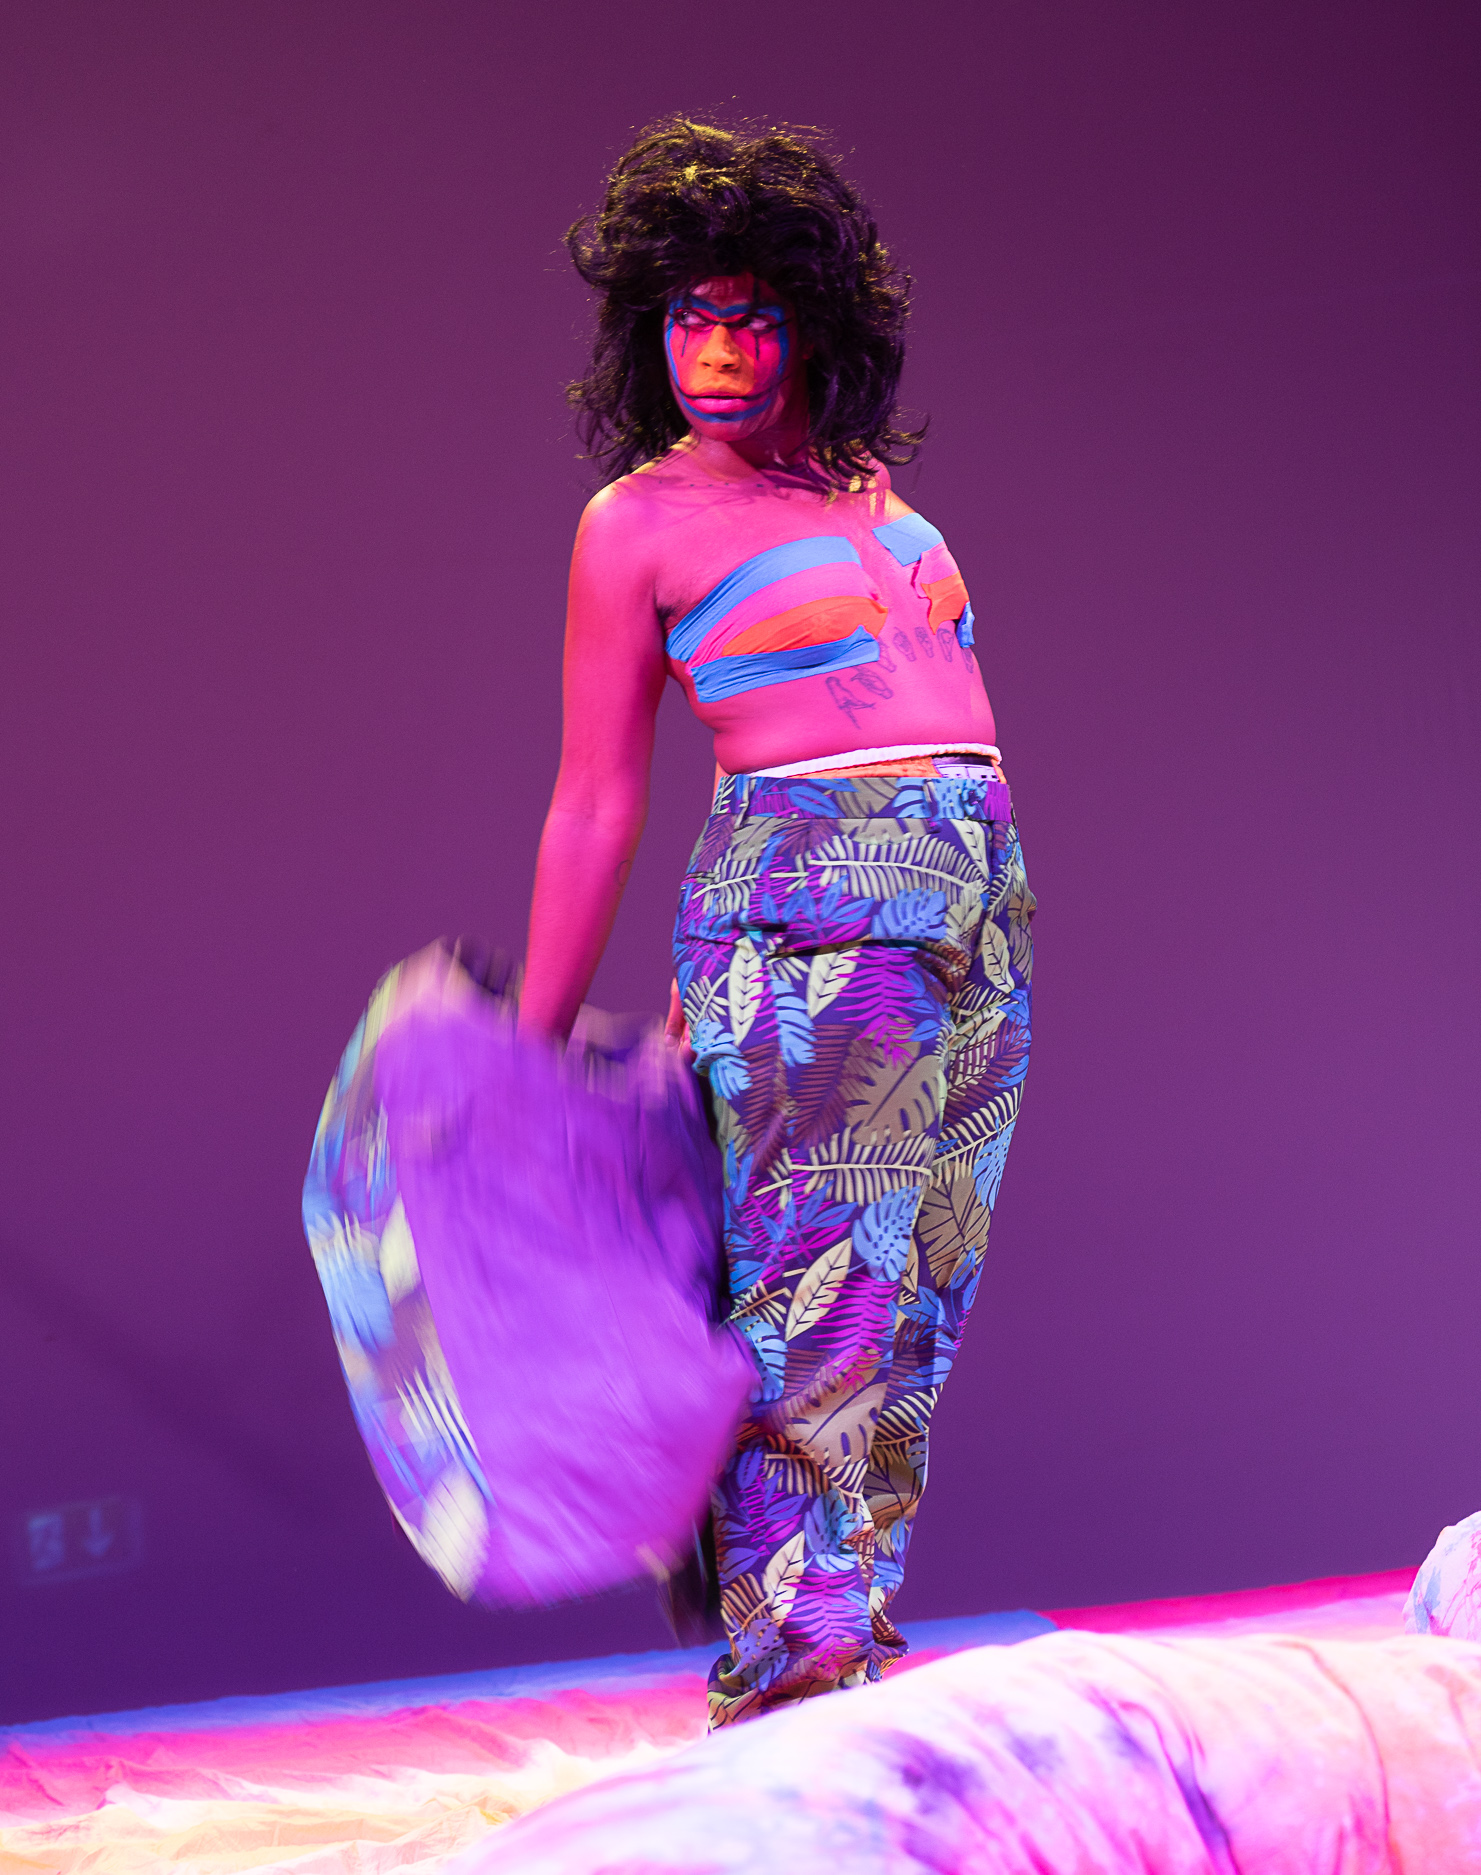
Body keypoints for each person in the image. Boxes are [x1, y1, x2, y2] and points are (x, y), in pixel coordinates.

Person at [518, 117, 1035, 1729]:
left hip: (972, 897)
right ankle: (789, 1685)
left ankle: (845, 1636)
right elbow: (594, 799)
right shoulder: (638, 522)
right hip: (821, 916)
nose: (721, 352)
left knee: (917, 1303)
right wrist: (531, 1045)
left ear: (818, 324)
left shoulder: (869, 491)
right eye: (690, 317)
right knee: (824, 1308)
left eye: (753, 316)